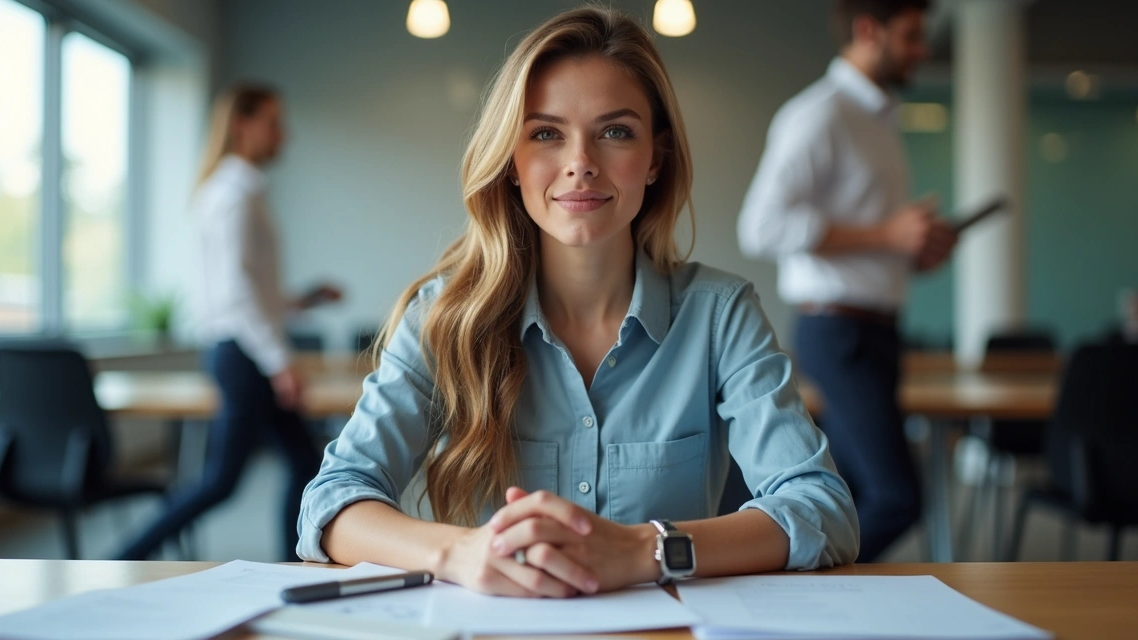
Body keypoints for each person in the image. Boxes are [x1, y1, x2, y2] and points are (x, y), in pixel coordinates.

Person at [297, 7, 858, 597]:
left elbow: (822, 509)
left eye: (615, 131)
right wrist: (459, 552)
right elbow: (331, 503)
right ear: (511, 162)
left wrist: (647, 549)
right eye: (545, 133)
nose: (581, 162)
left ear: (655, 159)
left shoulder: (720, 313)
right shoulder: (443, 317)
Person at [737, 0, 956, 562]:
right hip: (839, 332)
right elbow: (761, 227)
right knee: (895, 496)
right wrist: (887, 234)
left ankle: (821, 608)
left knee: (852, 498)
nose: (921, 50)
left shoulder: (880, 121)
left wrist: (911, 250)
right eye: (910, 36)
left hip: (876, 330)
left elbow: (869, 237)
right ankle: (790, 598)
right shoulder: (821, 115)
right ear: (867, 30)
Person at [117, 84, 341, 561]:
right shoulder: (232, 193)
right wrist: (280, 363)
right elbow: (235, 295)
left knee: (303, 462)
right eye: (274, 123)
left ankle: (292, 566)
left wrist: (303, 299)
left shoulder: (241, 190)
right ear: (243, 125)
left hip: (243, 348)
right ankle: (124, 557)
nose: (284, 134)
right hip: (242, 355)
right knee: (222, 480)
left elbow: (250, 292)